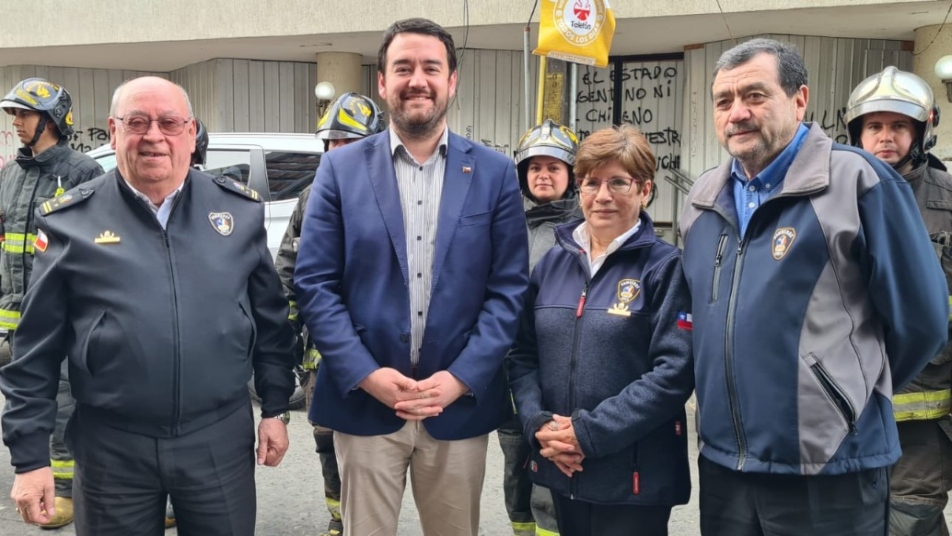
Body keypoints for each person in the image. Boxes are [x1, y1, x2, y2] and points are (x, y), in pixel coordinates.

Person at [0, 76, 296, 536]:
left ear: (191, 132)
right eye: (136, 122)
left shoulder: (237, 214)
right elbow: (35, 351)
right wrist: (31, 458)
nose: (153, 135)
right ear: (113, 132)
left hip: (217, 437)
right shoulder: (70, 222)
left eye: (169, 122)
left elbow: (271, 324)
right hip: (111, 445)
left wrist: (275, 408)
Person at [678, 38, 949, 536]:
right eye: (724, 101)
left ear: (799, 100)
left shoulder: (858, 180)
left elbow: (923, 321)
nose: (737, 113)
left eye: (755, 95)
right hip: (725, 464)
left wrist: (844, 396)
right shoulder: (702, 198)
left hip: (829, 466)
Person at [293, 17, 529, 536]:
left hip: (457, 406)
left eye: (430, 67)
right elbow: (314, 283)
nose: (416, 79)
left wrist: (461, 378)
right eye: (403, 67)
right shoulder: (339, 170)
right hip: (364, 401)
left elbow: (509, 290)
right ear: (382, 82)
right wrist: (366, 373)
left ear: (452, 80)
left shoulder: (493, 172)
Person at [508, 124, 694, 536]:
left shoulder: (665, 268)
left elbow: (674, 372)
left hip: (632, 479)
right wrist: (538, 425)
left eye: (618, 182)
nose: (603, 195)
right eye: (592, 182)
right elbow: (522, 354)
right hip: (561, 467)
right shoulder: (553, 264)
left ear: (645, 189)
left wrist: (587, 434)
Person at [846, 66, 952, 536]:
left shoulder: (949, 202)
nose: (885, 137)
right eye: (874, 126)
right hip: (848, 402)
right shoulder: (834, 195)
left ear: (921, 130)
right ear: (857, 133)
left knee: (910, 518)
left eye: (898, 126)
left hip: (925, 414)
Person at [274, 91, 384, 536]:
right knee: (324, 437)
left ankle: (369, 517)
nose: (336, 151)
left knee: (373, 443)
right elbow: (287, 270)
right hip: (321, 351)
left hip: (377, 351)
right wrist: (281, 340)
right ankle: (339, 518)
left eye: (348, 142)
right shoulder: (310, 198)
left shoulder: (391, 197)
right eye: (331, 143)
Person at [0, 77, 103, 530]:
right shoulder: (10, 175)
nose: (16, 123)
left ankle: (66, 491)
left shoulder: (82, 173)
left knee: (63, 401)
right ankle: (37, 475)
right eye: (14, 114)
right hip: (14, 315)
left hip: (63, 316)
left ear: (52, 119)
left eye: (24, 114)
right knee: (22, 400)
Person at [498, 119, 581, 536]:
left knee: (550, 477)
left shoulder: (585, 230)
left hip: (554, 373)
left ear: (571, 174)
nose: (543, 175)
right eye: (534, 168)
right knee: (515, 470)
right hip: (507, 371)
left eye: (553, 167)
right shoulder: (504, 224)